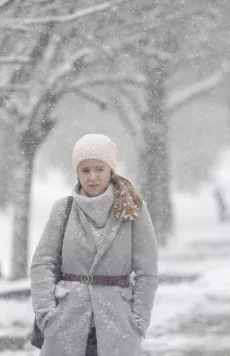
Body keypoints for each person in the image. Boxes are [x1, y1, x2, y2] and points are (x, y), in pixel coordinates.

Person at [30, 134, 159, 356]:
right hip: (65, 323)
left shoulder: (132, 208)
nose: (92, 177)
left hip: (119, 324)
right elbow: (42, 264)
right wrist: (46, 315)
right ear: (77, 173)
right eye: (85, 170)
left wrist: (139, 321)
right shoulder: (63, 209)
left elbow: (147, 271)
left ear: (110, 169)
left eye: (99, 168)